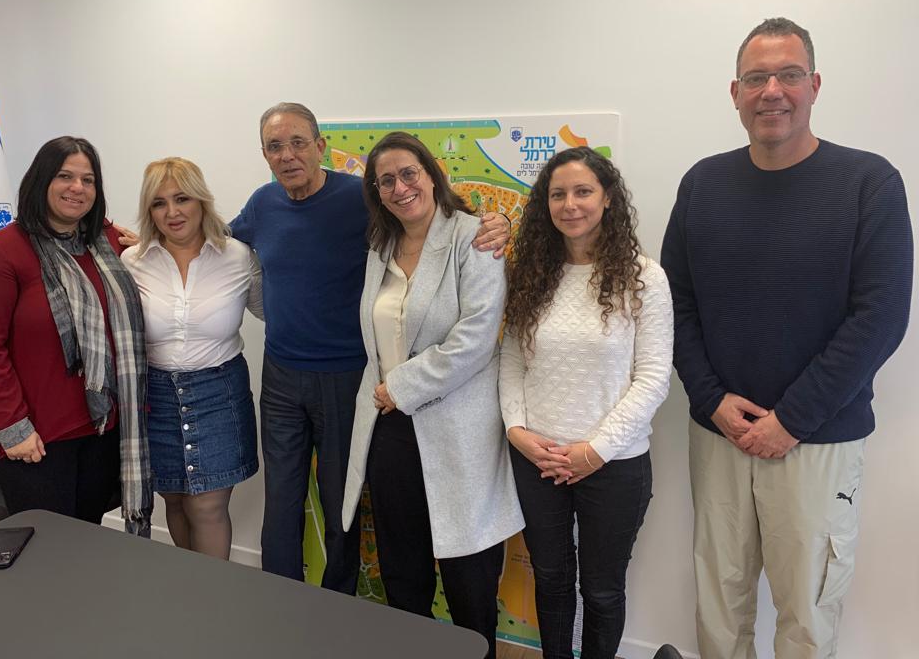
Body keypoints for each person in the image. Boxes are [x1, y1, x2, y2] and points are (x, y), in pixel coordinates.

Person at [661, 17, 913, 659]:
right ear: (735, 93)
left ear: (814, 85)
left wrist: (791, 420)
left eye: (788, 75)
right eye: (756, 78)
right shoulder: (702, 184)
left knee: (807, 611)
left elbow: (881, 317)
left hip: (817, 438)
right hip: (719, 433)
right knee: (719, 603)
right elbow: (674, 305)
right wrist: (711, 400)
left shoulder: (869, 182)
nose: (771, 90)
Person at [229, 103, 511, 594]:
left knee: (341, 498)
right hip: (280, 375)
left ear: (320, 147)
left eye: (298, 143)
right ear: (264, 155)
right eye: (275, 146)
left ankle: (338, 602)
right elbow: (217, 240)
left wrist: (499, 221)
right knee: (281, 498)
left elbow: (428, 215)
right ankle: (277, 600)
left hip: (348, 377)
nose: (287, 155)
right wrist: (149, 239)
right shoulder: (262, 204)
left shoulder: (360, 197)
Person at [341, 132, 523, 658]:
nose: (400, 188)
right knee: (403, 570)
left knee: (469, 578)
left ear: (432, 173)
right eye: (386, 181)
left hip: (456, 430)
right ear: (377, 193)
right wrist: (389, 397)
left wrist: (401, 387)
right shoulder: (380, 247)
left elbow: (476, 339)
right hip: (390, 429)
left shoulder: (474, 237)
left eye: (408, 174)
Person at [499, 147, 673, 659]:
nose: (569, 204)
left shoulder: (644, 279)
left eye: (582, 191)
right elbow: (511, 360)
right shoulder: (533, 275)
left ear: (608, 198)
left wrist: (593, 451)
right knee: (551, 580)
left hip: (613, 464)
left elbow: (653, 378)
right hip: (537, 460)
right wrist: (517, 432)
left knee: (601, 590)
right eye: (558, 194)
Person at [0, 136, 152, 535]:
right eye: (65, 176)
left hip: (101, 428)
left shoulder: (108, 245)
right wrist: (13, 428)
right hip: (36, 438)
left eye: (88, 179)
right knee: (45, 548)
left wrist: (148, 250)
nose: (77, 187)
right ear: (41, 180)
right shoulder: (0, 252)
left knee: (85, 538)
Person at [121, 158, 262, 559]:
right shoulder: (132, 261)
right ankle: (190, 585)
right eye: (159, 203)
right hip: (156, 397)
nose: (172, 212)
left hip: (219, 393)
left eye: (182, 198)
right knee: (176, 500)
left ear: (201, 200)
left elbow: (273, 311)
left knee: (206, 505)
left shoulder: (238, 256)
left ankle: (214, 592)